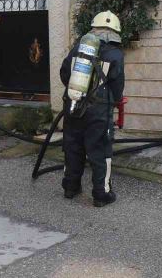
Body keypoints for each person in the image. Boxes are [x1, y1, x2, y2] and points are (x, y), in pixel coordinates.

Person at [60, 11, 125, 207]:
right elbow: (117, 85)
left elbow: (64, 73)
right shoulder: (115, 54)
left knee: (72, 146)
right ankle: (101, 194)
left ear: (93, 29)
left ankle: (70, 187)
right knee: (99, 150)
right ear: (114, 32)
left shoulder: (79, 48)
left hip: (73, 104)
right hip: (99, 109)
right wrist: (113, 100)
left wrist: (77, 92)